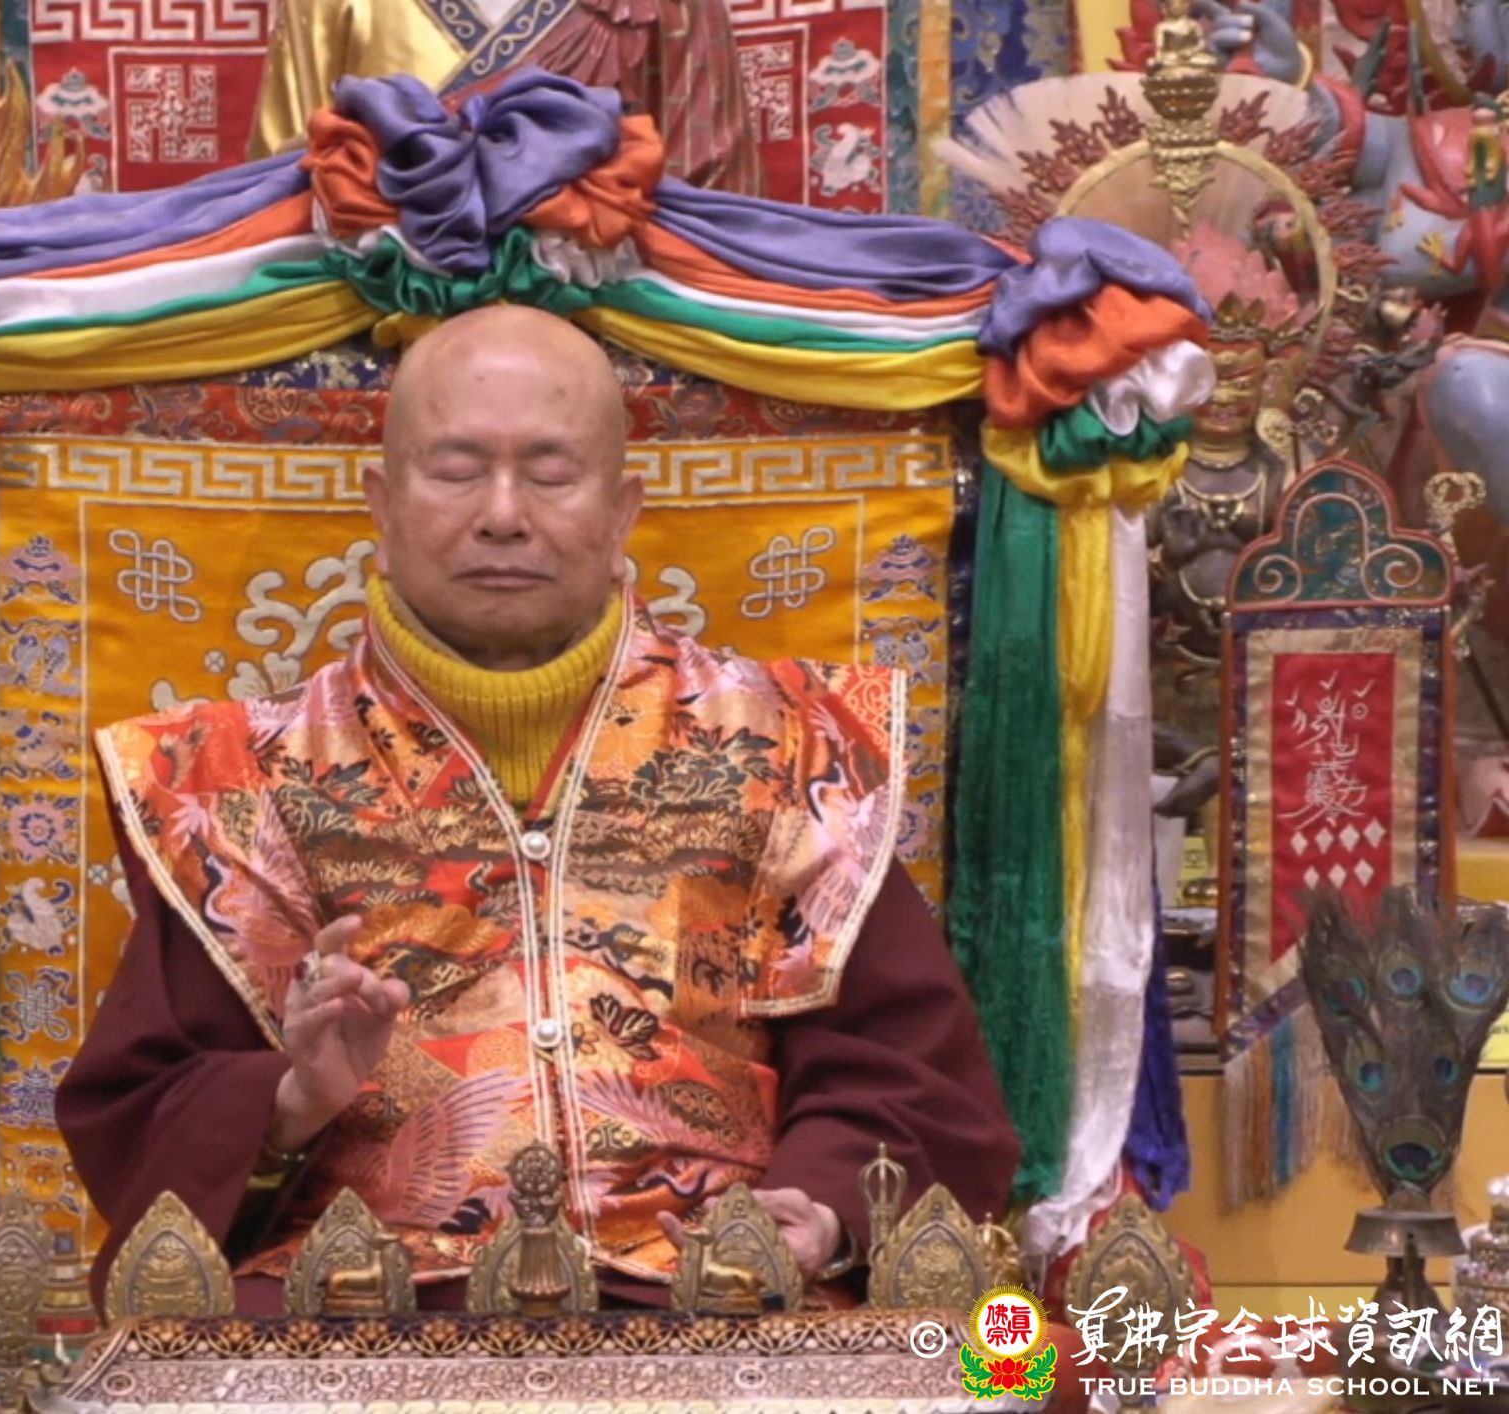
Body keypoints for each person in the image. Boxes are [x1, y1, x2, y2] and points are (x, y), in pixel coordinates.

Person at [59, 305, 1018, 1313]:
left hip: (712, 1292)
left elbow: (906, 1075)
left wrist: (819, 1212)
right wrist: (291, 1102)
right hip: (362, 1306)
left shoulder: (784, 742)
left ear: (623, 509)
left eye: (551, 474)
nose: (503, 514)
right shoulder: (235, 776)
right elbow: (142, 1109)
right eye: (456, 470)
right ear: (380, 504)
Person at [246, 0, 765, 195]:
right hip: (379, 314)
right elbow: (276, 189)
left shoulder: (668, 7)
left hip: (608, 317)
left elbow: (715, 203)